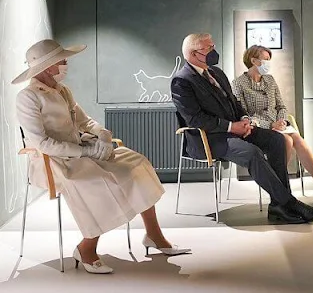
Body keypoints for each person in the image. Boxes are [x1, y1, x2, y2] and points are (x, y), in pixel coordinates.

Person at [13, 39, 190, 275]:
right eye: (63, 60)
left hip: (81, 150)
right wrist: (85, 151)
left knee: (136, 164)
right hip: (52, 160)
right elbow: (42, 143)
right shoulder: (28, 97)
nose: (66, 64)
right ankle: (87, 248)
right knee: (98, 183)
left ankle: (154, 235)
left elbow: (85, 121)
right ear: (49, 66)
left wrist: (102, 134)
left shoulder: (63, 91)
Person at [170, 33, 313, 224]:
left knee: (277, 140)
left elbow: (234, 103)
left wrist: (243, 120)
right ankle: (288, 203)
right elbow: (195, 119)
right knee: (251, 153)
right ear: (194, 54)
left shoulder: (216, 73)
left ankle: (277, 205)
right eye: (209, 48)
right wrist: (232, 127)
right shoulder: (182, 81)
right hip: (209, 139)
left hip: (234, 131)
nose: (213, 51)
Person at [232, 45, 313, 209]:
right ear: (253, 60)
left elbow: (281, 107)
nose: (268, 63)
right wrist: (270, 125)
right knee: (286, 141)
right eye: (266, 59)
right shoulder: (238, 84)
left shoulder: (270, 80)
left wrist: (282, 121)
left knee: (297, 139)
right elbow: (243, 116)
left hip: (279, 124)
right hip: (258, 128)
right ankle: (281, 192)